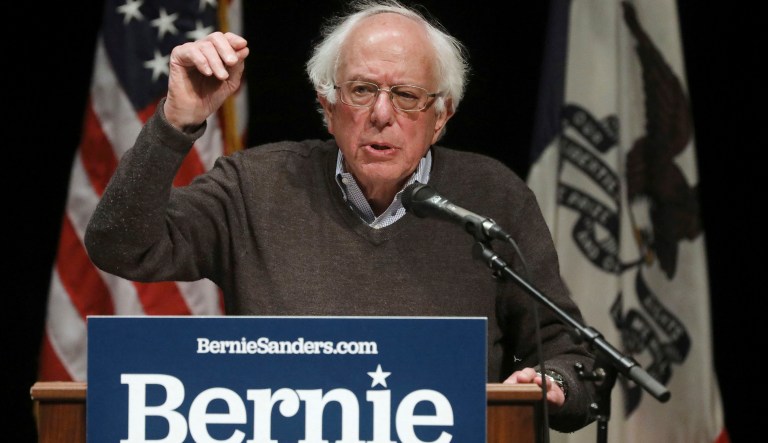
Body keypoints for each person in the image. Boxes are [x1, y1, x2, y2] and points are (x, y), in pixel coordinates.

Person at [84, 0, 596, 433]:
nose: (381, 114)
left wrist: (554, 384)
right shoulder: (254, 186)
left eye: (407, 96)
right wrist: (178, 121)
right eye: (361, 90)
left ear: (442, 117)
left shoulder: (491, 199)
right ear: (326, 106)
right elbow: (120, 244)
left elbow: (567, 352)